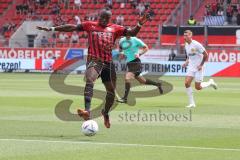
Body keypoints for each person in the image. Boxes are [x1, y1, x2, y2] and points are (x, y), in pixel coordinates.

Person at [36, 8, 150, 128]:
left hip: (108, 63)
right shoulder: (90, 25)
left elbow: (132, 33)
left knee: (111, 92)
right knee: (90, 80)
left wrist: (139, 24)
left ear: (109, 19)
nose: (104, 20)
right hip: (94, 60)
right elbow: (72, 27)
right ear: (98, 16)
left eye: (106, 19)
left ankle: (105, 113)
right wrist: (52, 28)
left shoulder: (115, 28)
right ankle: (87, 111)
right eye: (102, 18)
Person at [116, 34, 163, 103]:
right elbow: (120, 49)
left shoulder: (135, 40)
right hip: (129, 64)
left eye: (130, 32)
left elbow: (146, 48)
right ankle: (158, 84)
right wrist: (122, 53)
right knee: (142, 81)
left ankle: (125, 98)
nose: (128, 34)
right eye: (127, 33)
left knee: (127, 77)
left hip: (136, 63)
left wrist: (139, 54)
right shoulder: (121, 40)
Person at [182, 30, 217, 108]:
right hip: (191, 66)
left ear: (191, 36)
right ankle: (192, 103)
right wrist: (186, 62)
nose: (185, 37)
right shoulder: (186, 45)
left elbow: (206, 55)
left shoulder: (196, 44)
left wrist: (201, 65)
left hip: (198, 67)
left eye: (187, 35)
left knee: (198, 87)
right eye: (184, 35)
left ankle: (210, 83)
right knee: (187, 83)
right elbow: (189, 56)